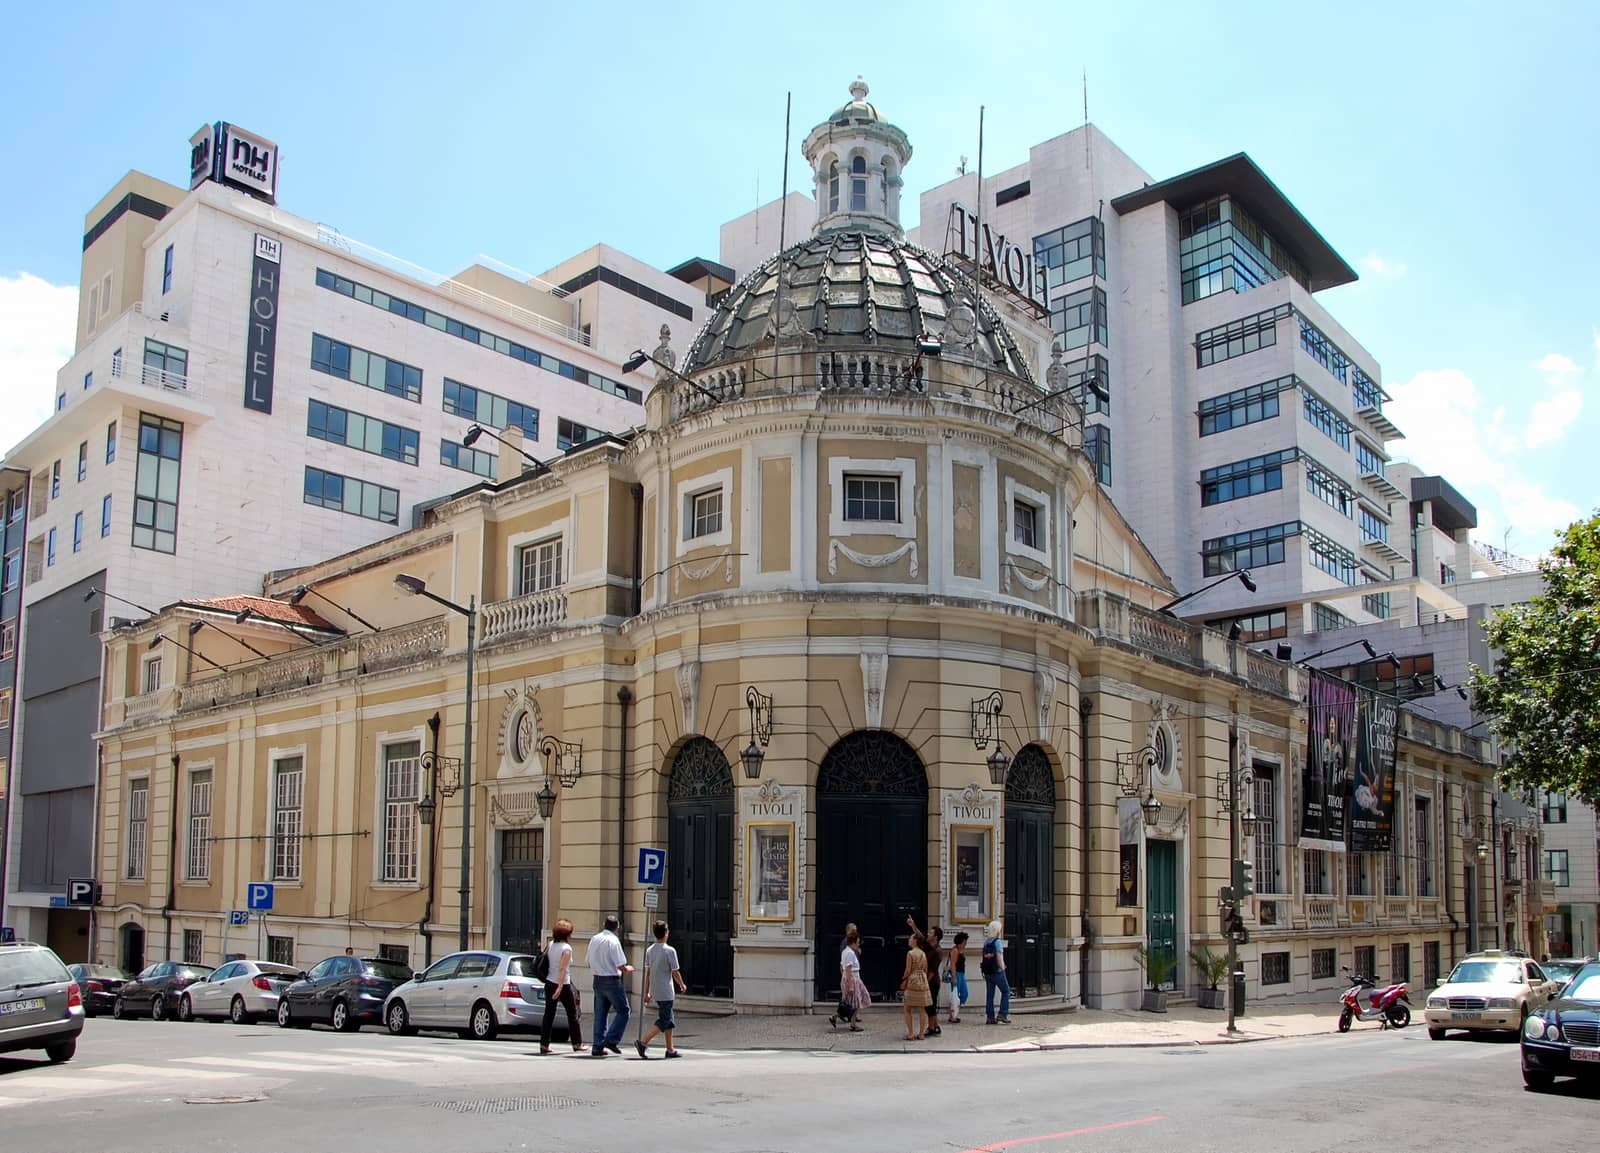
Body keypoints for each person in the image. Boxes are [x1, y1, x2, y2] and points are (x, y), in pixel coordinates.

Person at [636, 920, 687, 1059]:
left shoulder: (649, 950)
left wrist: (647, 992)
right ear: (666, 933)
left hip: (656, 990)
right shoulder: (669, 951)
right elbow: (675, 971)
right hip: (666, 990)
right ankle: (643, 1041)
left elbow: (648, 973)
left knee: (669, 1019)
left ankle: (670, 1049)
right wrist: (682, 985)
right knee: (664, 1020)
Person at [586, 914, 634, 1057]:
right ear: (617, 927)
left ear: (603, 924)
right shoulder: (613, 941)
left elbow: (587, 961)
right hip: (612, 980)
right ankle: (611, 1039)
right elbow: (620, 964)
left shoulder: (595, 939)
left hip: (597, 979)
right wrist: (628, 968)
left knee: (600, 1014)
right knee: (624, 1010)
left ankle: (597, 1046)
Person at [539, 918, 582, 1054]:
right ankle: (577, 1043)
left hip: (549, 982)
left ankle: (544, 1045)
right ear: (568, 934)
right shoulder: (566, 948)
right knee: (572, 1014)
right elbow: (562, 969)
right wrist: (560, 987)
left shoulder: (551, 944)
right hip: (563, 984)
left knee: (548, 1014)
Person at [905, 915, 943, 1036]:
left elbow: (932, 970)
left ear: (935, 937)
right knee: (929, 1005)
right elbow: (920, 936)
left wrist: (925, 983)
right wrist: (913, 925)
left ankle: (932, 1027)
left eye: (931, 933)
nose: (928, 934)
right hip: (927, 979)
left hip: (932, 981)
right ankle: (935, 1026)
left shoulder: (937, 951)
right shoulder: (929, 946)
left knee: (930, 1004)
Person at [829, 924, 868, 1031]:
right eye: (858, 942)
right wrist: (850, 985)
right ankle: (853, 1024)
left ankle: (835, 1017)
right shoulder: (850, 953)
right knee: (857, 1002)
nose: (859, 944)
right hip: (853, 979)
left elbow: (843, 965)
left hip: (849, 978)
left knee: (848, 1002)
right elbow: (849, 968)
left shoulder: (846, 951)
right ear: (853, 942)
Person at [900, 933, 930, 1040]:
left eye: (911, 938)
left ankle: (911, 1033)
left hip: (912, 980)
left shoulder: (910, 953)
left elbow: (908, 970)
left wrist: (904, 979)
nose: (909, 940)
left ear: (915, 940)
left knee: (907, 1008)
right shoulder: (923, 953)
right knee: (922, 1009)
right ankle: (921, 1033)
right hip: (922, 979)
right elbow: (926, 969)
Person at [981, 919, 1011, 1025]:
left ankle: (990, 1017)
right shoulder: (997, 942)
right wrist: (1003, 967)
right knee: (1006, 991)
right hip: (997, 971)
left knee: (990, 995)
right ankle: (1002, 1014)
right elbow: (999, 957)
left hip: (988, 972)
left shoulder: (986, 942)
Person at [946, 931, 970, 1023]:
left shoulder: (960, 950)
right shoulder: (955, 950)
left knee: (963, 994)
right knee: (955, 995)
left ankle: (954, 1013)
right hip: (957, 974)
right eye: (964, 942)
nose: (965, 944)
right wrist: (954, 976)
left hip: (961, 974)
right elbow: (953, 964)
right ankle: (952, 1016)